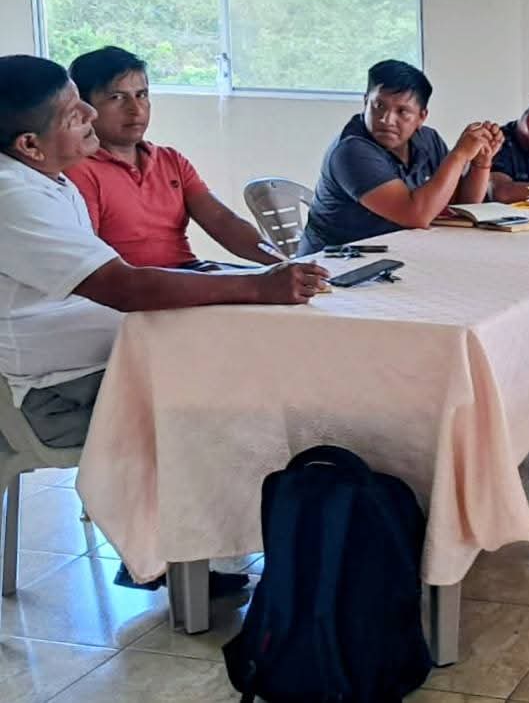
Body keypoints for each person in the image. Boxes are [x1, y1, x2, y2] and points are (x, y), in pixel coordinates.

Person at [0, 55, 326, 594]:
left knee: (253, 363)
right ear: (30, 144)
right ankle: (183, 559)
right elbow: (123, 287)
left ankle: (221, 548)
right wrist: (256, 287)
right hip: (56, 394)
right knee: (233, 398)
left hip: (108, 358)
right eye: (75, 110)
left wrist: (265, 275)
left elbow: (212, 226)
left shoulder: (49, 180)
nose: (91, 113)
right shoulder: (15, 195)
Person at [62, 46, 279, 270]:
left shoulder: (171, 160)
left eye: (141, 95)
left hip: (191, 273)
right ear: (83, 108)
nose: (136, 109)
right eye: (117, 98)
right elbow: (92, 263)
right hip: (133, 284)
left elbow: (223, 222)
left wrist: (281, 262)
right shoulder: (78, 171)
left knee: (285, 284)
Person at [300, 60, 499, 255]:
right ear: (365, 102)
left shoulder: (428, 139)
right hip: (336, 265)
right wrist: (459, 154)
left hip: (397, 254)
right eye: (378, 106)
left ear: (422, 116)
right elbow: (416, 215)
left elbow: (460, 206)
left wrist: (481, 164)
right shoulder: (351, 151)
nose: (386, 119)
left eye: (402, 111)